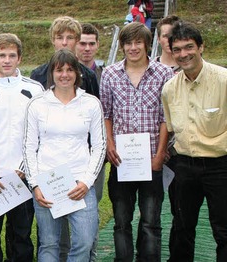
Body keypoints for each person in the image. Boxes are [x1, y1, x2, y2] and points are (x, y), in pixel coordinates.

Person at [24, 49, 106, 261]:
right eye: (59, 70)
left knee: (85, 242)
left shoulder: (91, 103)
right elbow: (29, 147)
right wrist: (35, 185)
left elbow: (99, 146)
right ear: (52, 73)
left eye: (70, 70)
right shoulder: (37, 104)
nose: (64, 75)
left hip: (80, 182)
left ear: (77, 73)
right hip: (47, 182)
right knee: (49, 243)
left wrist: (87, 182)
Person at [101, 22, 173, 262]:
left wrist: (160, 155)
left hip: (151, 159)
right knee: (121, 221)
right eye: (128, 43)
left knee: (151, 221)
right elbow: (107, 114)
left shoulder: (163, 73)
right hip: (122, 161)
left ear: (146, 44)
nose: (133, 48)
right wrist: (110, 144)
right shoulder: (110, 74)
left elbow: (166, 117)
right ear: (122, 46)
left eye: (138, 42)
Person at [0, 33, 42, 262]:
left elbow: (39, 134)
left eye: (12, 55)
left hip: (22, 175)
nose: (7, 60)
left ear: (20, 58)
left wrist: (24, 168)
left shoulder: (35, 90)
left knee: (21, 236)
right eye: (1, 55)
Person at [162, 21, 227, 262]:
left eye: (189, 47)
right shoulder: (169, 89)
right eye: (177, 49)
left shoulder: (223, 80)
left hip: (220, 166)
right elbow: (171, 128)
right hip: (184, 166)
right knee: (181, 228)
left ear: (201, 47)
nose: (183, 54)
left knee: (223, 230)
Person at [75, 22, 106, 262]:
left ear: (97, 45)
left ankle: (91, 255)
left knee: (90, 208)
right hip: (68, 154)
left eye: (91, 43)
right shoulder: (63, 71)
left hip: (94, 154)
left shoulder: (106, 74)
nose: (86, 48)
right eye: (82, 43)